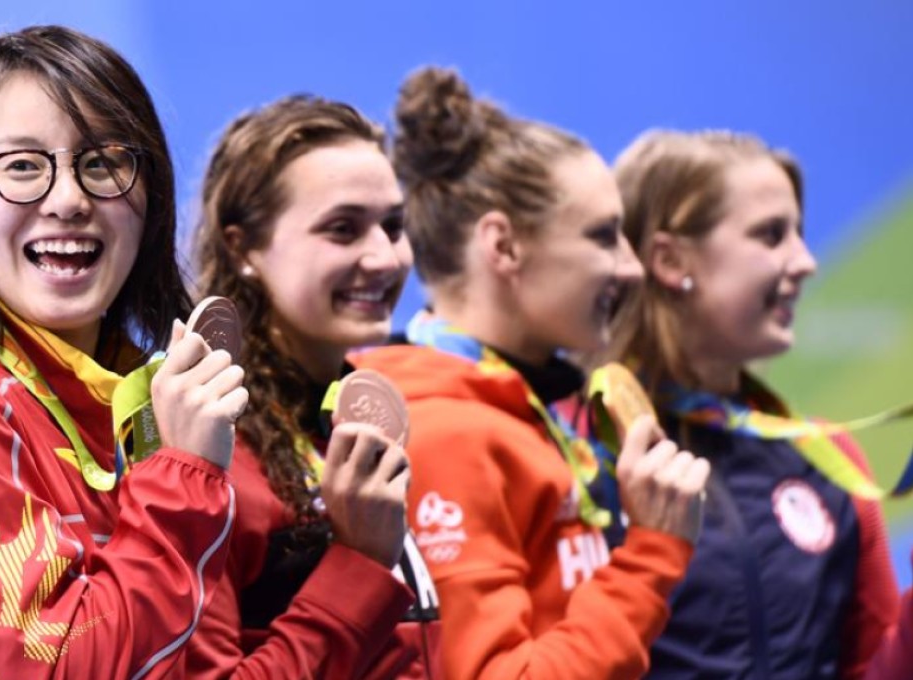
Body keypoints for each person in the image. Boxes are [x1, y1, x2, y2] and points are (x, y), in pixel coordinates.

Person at [0, 25, 248, 679]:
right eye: (22, 165)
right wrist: (185, 477)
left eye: (105, 162)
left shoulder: (137, 394)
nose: (68, 200)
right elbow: (56, 669)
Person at [350, 66, 710, 679]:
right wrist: (653, 554)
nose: (628, 269)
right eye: (603, 237)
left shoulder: (542, 404)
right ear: (505, 246)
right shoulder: (444, 432)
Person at [605, 129, 900, 678]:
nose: (805, 261)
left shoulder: (825, 455)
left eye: (801, 234)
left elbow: (875, 664)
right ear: (670, 260)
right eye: (771, 235)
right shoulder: (583, 451)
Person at [190, 95, 439, 678]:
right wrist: (359, 561)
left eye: (394, 226)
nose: (384, 257)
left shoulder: (355, 415)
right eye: (342, 229)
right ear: (243, 247)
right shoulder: (208, 446)